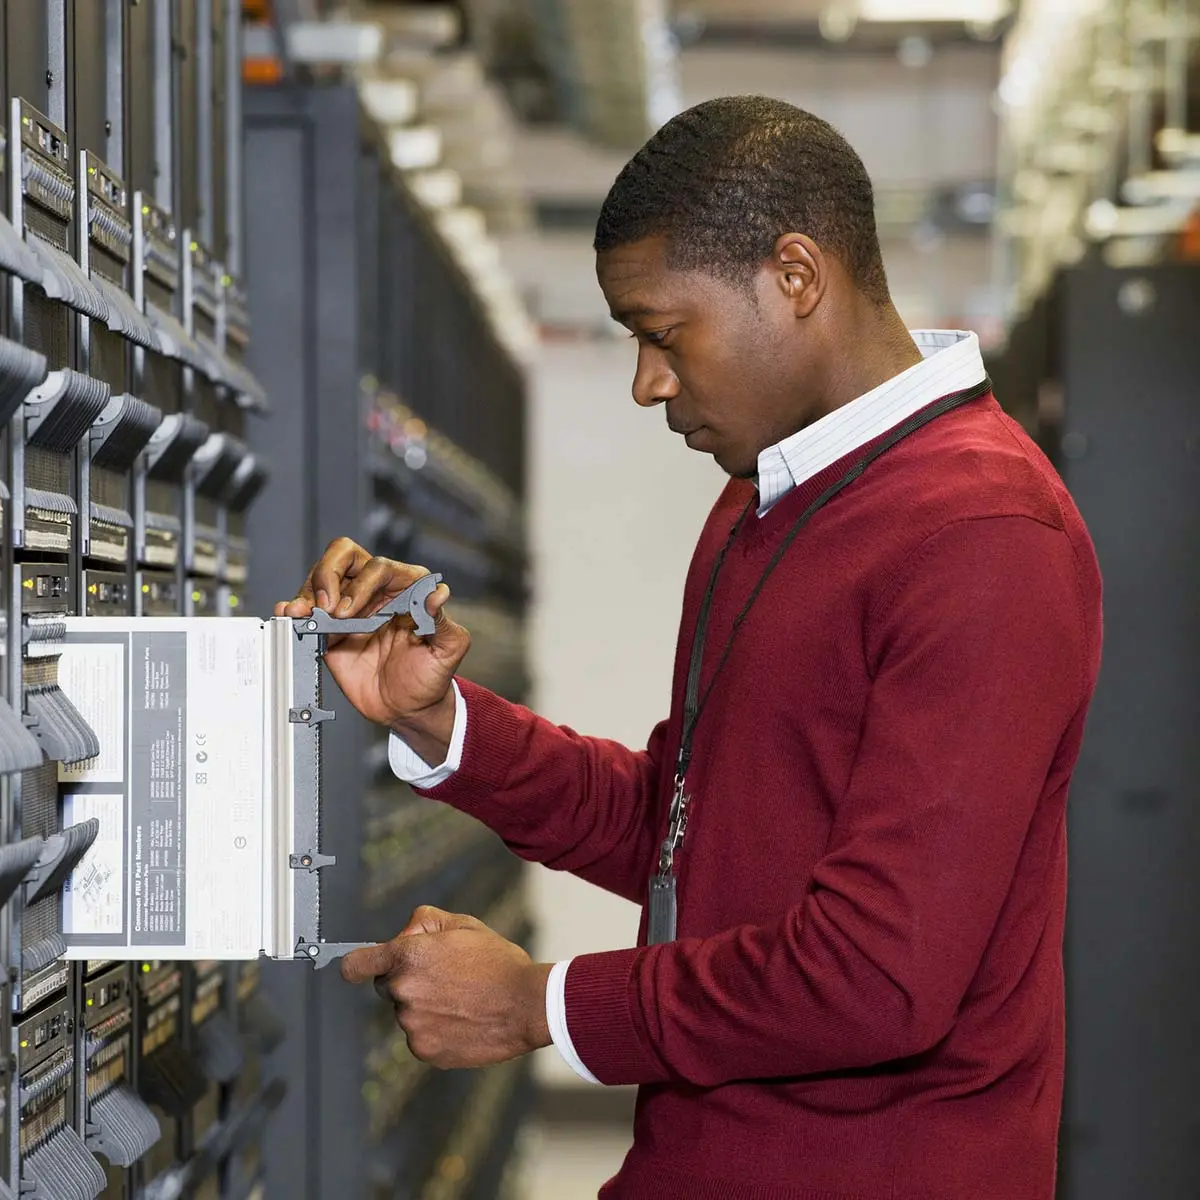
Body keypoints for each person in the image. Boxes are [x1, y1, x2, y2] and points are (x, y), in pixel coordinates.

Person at [278, 96, 1102, 1200]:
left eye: (664, 333)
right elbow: (682, 830)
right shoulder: (763, 502)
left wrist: (538, 1004)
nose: (647, 383)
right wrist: (446, 722)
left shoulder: (985, 535)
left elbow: (878, 975)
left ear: (795, 276)